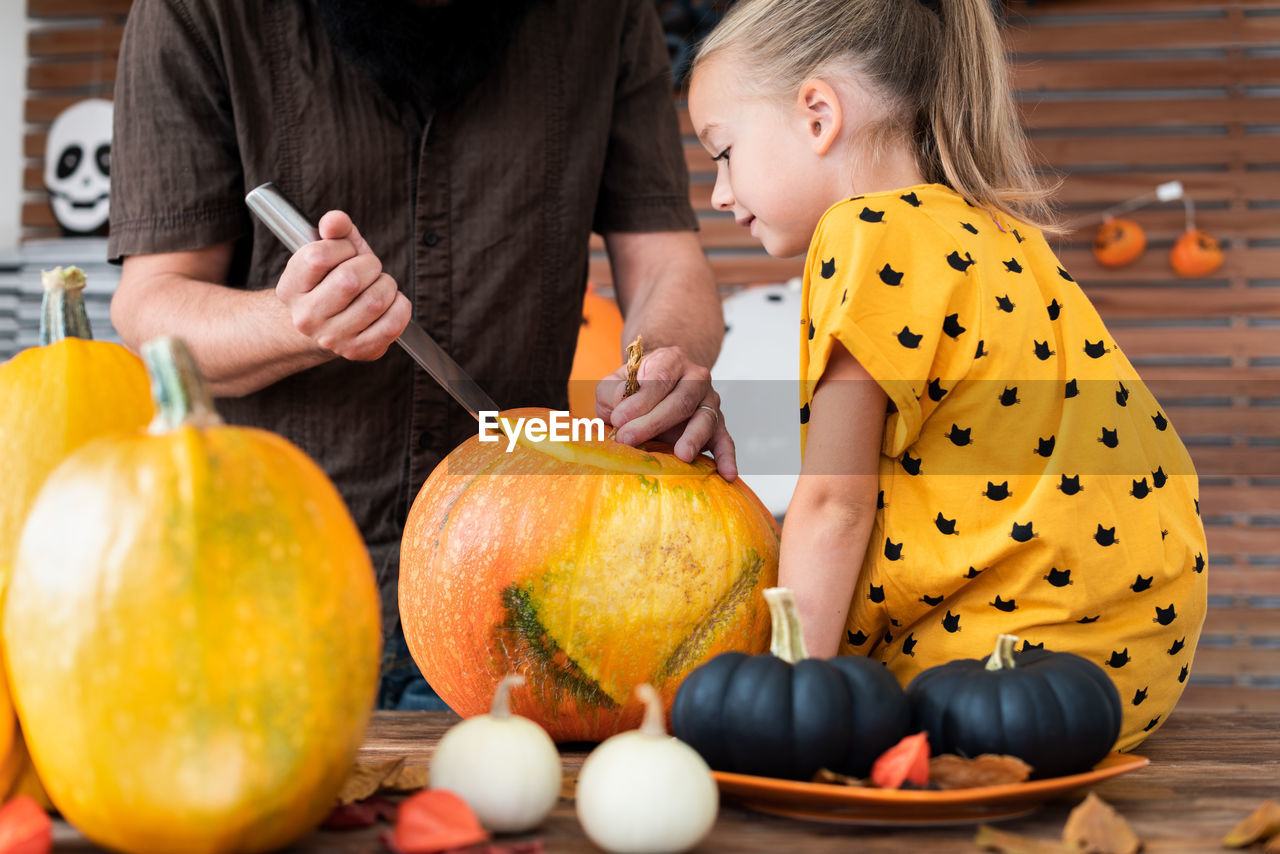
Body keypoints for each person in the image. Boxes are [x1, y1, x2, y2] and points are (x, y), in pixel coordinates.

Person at [107, 0, 736, 710]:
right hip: (268, 594)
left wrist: (661, 362)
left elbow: (666, 266)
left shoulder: (606, 15)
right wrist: (292, 321)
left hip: (525, 600)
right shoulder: (198, 12)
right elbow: (150, 306)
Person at [687, 0, 1207, 750]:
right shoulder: (999, 231)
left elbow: (835, 504)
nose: (720, 192)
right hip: (1119, 672)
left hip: (987, 671)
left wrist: (782, 693)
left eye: (723, 151)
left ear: (817, 115)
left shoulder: (868, 233)